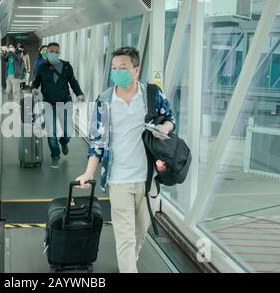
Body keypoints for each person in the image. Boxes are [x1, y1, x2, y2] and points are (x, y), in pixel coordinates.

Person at [75, 47, 176, 273]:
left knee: (140, 231)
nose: (117, 72)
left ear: (136, 70)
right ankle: (128, 268)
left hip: (147, 176)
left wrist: (164, 129)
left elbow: (170, 118)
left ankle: (130, 260)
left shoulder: (152, 94)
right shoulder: (105, 100)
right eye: (114, 68)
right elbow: (97, 140)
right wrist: (89, 172)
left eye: (123, 68)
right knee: (125, 236)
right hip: (118, 178)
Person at [31, 42, 85, 169]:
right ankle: (55, 155)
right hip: (49, 103)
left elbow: (73, 82)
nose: (54, 53)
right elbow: (36, 82)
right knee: (51, 132)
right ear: (47, 52)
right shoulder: (42, 68)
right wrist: (34, 89)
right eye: (51, 51)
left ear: (59, 53)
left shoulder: (66, 66)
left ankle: (63, 142)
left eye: (56, 51)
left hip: (65, 102)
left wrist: (80, 94)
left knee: (69, 131)